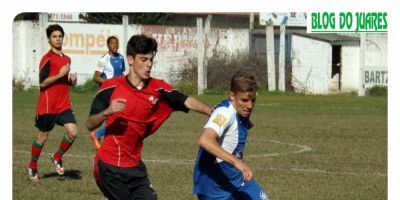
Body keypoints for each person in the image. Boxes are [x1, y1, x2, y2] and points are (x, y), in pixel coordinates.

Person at [86, 34, 212, 199]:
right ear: (130, 60)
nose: (149, 65)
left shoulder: (158, 88)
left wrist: (210, 111)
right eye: (144, 60)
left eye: (151, 60)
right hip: (109, 167)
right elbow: (90, 124)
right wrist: (106, 112)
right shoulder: (110, 87)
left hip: (135, 167)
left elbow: (185, 100)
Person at [193, 71, 270, 200]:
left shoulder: (241, 110)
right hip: (214, 188)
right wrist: (237, 163)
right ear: (232, 96)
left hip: (237, 180)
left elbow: (241, 125)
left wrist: (247, 123)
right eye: (244, 100)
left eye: (253, 100)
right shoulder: (224, 113)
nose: (250, 106)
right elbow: (204, 140)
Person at [27, 24, 78, 182]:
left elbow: (63, 81)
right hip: (48, 105)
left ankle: (56, 157)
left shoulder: (67, 59)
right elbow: (42, 83)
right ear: (49, 39)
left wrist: (71, 81)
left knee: (73, 132)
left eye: (60, 36)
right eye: (54, 36)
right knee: (42, 137)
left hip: (64, 104)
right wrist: (60, 74)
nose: (57, 39)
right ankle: (32, 166)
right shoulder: (46, 59)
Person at [90, 36, 126, 150]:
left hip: (119, 92)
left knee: (119, 119)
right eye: (112, 43)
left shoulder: (121, 58)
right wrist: (110, 83)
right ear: (108, 45)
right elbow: (96, 77)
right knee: (118, 119)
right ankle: (98, 135)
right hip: (107, 93)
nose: (115, 45)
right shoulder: (103, 59)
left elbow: (122, 75)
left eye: (116, 43)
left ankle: (102, 139)